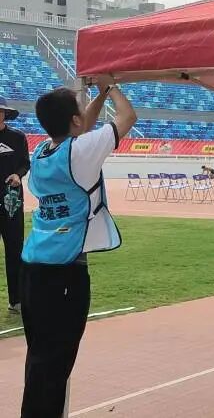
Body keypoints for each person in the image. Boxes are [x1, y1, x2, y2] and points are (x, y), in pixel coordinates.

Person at [19, 79, 137, 417]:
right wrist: (111, 87)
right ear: (73, 120)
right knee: (55, 365)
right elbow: (128, 117)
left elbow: (81, 127)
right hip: (64, 272)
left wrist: (98, 95)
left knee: (40, 359)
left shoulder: (43, 151)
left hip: (34, 267)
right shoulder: (80, 153)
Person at [0, 96, 29, 314]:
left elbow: (25, 163)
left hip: (11, 202)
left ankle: (16, 300)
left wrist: (18, 175)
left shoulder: (17, 137)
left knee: (14, 250)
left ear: (5, 114)